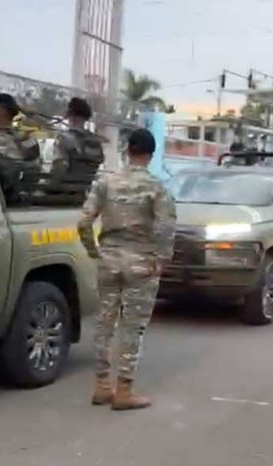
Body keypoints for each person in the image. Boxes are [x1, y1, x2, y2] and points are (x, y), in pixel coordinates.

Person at [78, 128, 177, 411]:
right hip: (141, 262)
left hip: (108, 260)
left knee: (104, 323)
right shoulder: (156, 187)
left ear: (127, 151)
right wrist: (162, 259)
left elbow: (83, 222)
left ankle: (101, 386)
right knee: (133, 326)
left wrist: (94, 252)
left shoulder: (105, 182)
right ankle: (124, 390)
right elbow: (166, 226)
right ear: (151, 155)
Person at [48, 97, 105, 198]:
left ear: (69, 115)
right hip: (84, 193)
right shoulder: (96, 141)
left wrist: (48, 187)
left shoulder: (64, 138)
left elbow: (58, 168)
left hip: (63, 193)